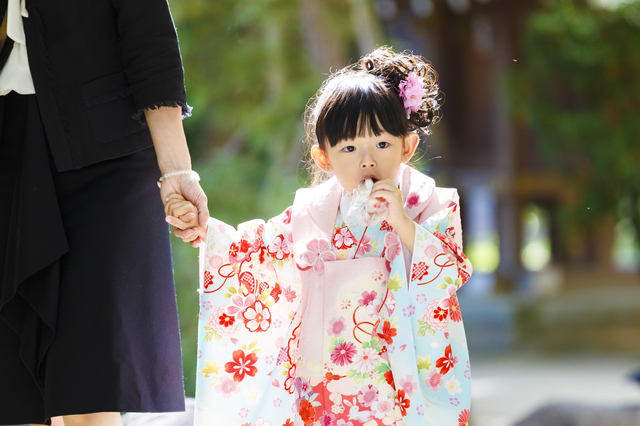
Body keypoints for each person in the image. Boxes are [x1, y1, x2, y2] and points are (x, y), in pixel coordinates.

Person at [169, 47, 473, 426]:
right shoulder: (310, 213)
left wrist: (405, 225)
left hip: (399, 381)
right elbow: (253, 253)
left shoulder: (429, 206)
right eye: (349, 147)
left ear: (407, 147)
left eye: (382, 144)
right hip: (326, 383)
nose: (367, 160)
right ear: (324, 158)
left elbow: (449, 276)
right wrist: (207, 233)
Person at [0, 0, 206, 425]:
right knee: (19, 385)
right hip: (10, 141)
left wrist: (177, 171)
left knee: (90, 382)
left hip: (108, 152)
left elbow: (148, 36)